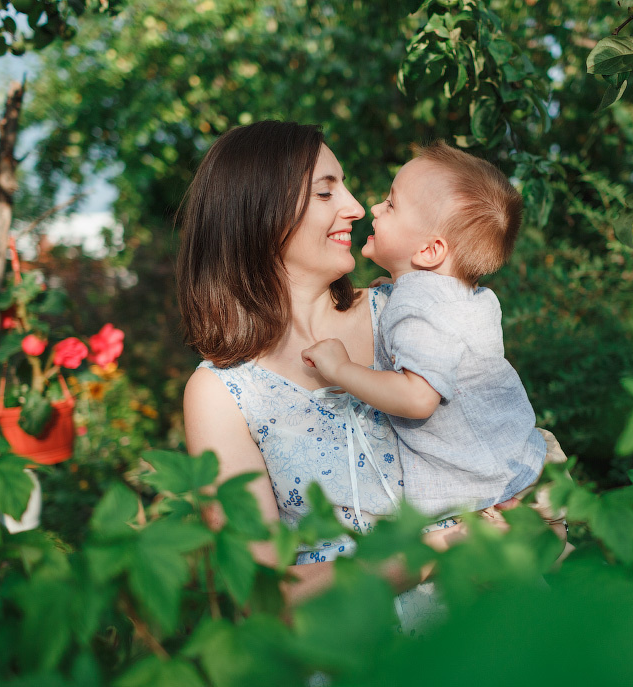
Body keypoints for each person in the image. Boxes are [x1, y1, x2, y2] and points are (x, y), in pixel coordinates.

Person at [177, 121, 446, 627]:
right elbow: (263, 595)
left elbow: (500, 433)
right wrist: (434, 551)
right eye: (326, 191)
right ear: (261, 213)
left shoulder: (406, 311)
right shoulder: (220, 391)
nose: (356, 207)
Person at [300, 142, 567, 526]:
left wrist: (341, 369)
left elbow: (417, 397)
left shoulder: (416, 305)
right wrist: (398, 293)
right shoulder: (463, 294)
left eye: (391, 205)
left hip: (493, 493)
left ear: (429, 251)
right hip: (524, 462)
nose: (372, 209)